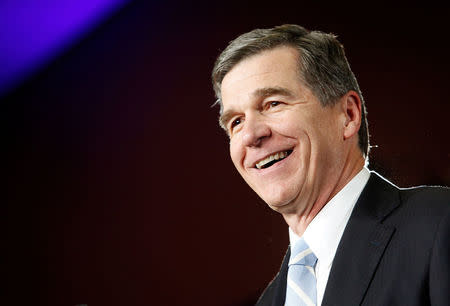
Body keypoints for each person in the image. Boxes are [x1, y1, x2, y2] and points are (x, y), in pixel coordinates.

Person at [211, 24, 449, 306]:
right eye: (235, 122)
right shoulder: (270, 300)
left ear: (347, 115)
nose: (250, 135)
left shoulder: (439, 224)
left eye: (273, 103)